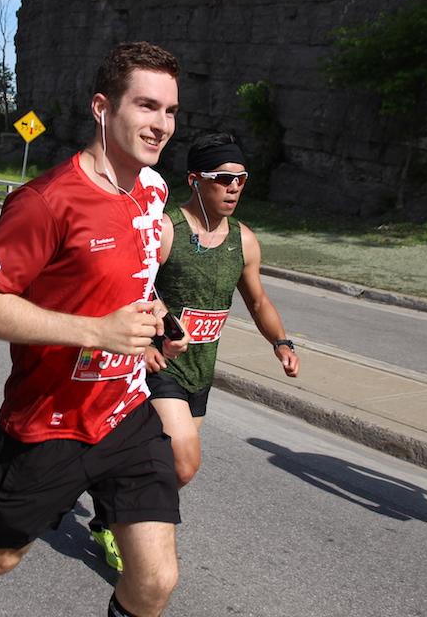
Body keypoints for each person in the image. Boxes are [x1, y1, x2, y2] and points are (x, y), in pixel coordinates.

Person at [0, 42, 185, 617]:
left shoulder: (153, 189)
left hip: (124, 413)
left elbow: (127, 283)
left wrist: (155, 316)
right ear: (102, 107)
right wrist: (98, 332)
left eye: (169, 110)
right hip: (47, 427)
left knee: (155, 581)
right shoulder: (45, 202)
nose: (160, 124)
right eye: (145, 106)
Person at [87, 132, 301, 572]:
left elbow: (257, 299)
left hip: (201, 372)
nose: (234, 187)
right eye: (223, 178)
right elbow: (129, 286)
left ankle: (112, 510)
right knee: (184, 461)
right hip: (158, 365)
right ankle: (131, 528)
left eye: (241, 179)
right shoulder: (166, 230)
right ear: (195, 180)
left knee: (168, 466)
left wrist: (281, 342)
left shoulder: (245, 241)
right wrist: (151, 336)